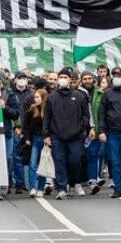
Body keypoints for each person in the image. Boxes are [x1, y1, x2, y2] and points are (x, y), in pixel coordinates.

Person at [43, 67, 90, 199]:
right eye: (61, 77)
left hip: (76, 136)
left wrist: (83, 128)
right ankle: (62, 188)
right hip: (57, 136)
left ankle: (73, 182)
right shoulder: (51, 97)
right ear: (57, 80)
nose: (63, 80)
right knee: (59, 161)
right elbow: (47, 117)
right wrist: (46, 135)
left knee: (75, 161)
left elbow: (86, 115)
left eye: (66, 77)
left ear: (70, 80)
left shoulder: (79, 96)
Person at [98, 67, 121, 198]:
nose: (116, 77)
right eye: (114, 75)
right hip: (113, 133)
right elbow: (101, 114)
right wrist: (101, 131)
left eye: (118, 75)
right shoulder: (107, 94)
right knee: (115, 161)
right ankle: (118, 188)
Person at [22, 88, 48, 197]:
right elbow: (26, 126)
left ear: (43, 97)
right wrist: (27, 138)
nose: (35, 99)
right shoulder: (32, 110)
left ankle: (41, 188)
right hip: (35, 139)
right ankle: (33, 187)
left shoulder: (48, 110)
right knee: (32, 164)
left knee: (43, 165)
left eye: (38, 97)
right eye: (35, 97)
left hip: (45, 140)